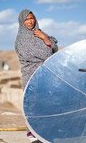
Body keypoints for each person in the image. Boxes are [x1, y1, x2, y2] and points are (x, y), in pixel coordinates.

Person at [15, 9, 58, 143]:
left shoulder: (40, 32)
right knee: (33, 104)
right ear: (22, 22)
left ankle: (45, 131)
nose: (30, 22)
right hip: (31, 75)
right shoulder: (21, 39)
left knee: (47, 102)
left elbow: (55, 48)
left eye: (32, 18)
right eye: (26, 19)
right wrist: (47, 41)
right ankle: (33, 133)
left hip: (46, 73)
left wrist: (45, 38)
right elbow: (46, 53)